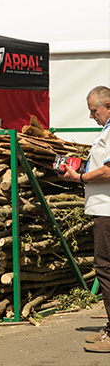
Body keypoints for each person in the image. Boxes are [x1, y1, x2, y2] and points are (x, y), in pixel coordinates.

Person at [59, 86, 110, 353]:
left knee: (105, 268)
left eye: (94, 111)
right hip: (103, 208)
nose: (91, 116)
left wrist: (79, 177)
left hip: (108, 210)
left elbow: (108, 170)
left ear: (108, 105)